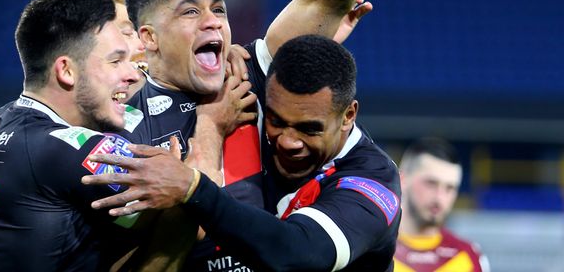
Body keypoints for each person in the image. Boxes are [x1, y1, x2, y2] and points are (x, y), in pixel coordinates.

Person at [118, 0, 369, 270]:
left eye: (218, 9)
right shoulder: (120, 122)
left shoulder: (250, 71)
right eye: (190, 12)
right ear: (148, 38)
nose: (213, 20)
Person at [0, 0, 241, 271]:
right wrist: (211, 124)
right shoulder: (67, 149)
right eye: (115, 61)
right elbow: (196, 209)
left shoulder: (4, 121)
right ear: (66, 71)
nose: (132, 73)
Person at [83, 34, 402, 271]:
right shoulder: (251, 115)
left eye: (309, 129)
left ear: (348, 115)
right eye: (278, 121)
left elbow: (298, 253)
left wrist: (192, 188)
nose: (288, 141)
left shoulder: (374, 181)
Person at [394, 138, 490, 272]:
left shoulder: (467, 257)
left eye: (449, 188)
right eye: (431, 183)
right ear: (402, 180)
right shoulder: (368, 249)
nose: (440, 198)